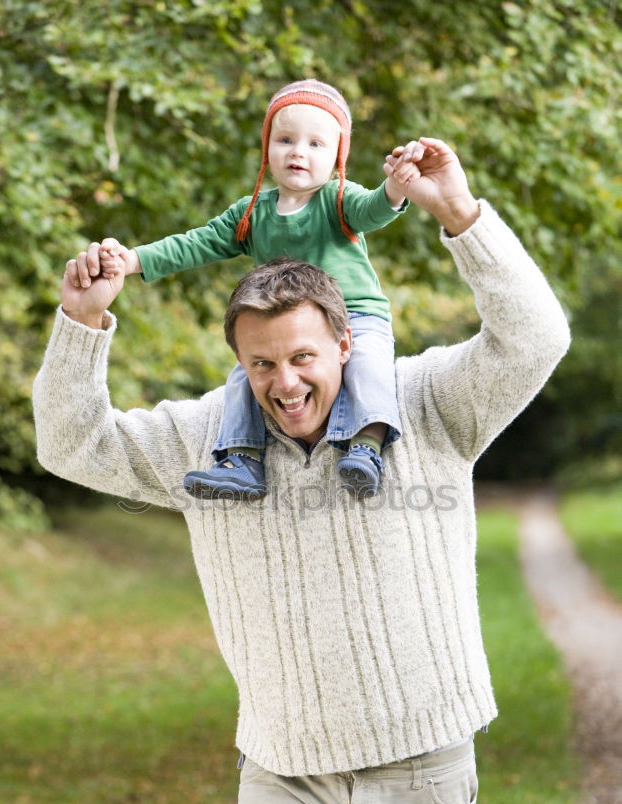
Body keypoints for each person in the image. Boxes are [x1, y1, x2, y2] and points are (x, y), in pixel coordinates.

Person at [33, 137, 570, 804]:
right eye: (260, 364)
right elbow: (71, 444)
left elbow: (535, 338)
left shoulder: (426, 403)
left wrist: (460, 218)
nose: (283, 384)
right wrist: (83, 322)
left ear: (347, 343)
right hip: (284, 778)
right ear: (239, 362)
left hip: (421, 764)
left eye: (301, 358)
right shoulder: (209, 439)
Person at [88, 79, 413, 501]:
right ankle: (242, 461)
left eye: (316, 144)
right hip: (283, 332)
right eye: (285, 139)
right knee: (245, 377)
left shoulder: (337, 199)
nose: (298, 151)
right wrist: (134, 260)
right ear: (267, 150)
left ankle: (365, 449)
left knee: (369, 366)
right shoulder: (251, 212)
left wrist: (396, 190)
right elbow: (196, 243)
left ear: (337, 157)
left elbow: (372, 210)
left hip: (355, 314)